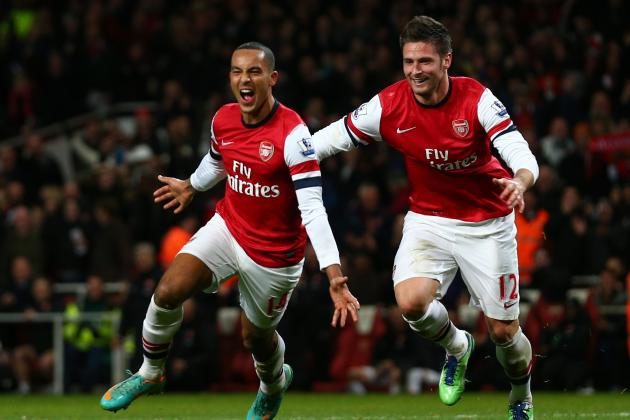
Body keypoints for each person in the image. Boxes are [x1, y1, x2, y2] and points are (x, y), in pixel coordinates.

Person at [100, 42, 360, 419]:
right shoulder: (223, 118)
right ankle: (150, 373)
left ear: (272, 78)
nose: (244, 79)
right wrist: (192, 185)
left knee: (254, 338)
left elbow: (313, 208)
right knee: (168, 290)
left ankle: (272, 385)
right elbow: (218, 161)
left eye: (254, 71)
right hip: (229, 228)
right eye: (237, 71)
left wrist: (333, 275)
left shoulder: (293, 136)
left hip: (274, 256)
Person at [312, 16, 539, 419]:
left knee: (504, 332)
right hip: (429, 219)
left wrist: (520, 181)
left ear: (446, 60)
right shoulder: (389, 105)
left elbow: (519, 151)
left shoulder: (476, 99)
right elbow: (330, 139)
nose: (415, 70)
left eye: (425, 61)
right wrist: (282, 159)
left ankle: (520, 395)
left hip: (488, 223)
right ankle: (457, 346)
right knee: (411, 302)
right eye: (409, 61)